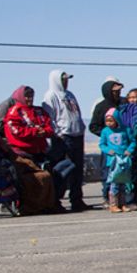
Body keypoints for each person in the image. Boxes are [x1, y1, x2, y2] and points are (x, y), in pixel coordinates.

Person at [42, 70, 90, 212]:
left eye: (67, 79)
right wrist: (58, 134)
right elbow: (50, 118)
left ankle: (77, 199)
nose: (66, 81)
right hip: (63, 137)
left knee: (78, 171)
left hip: (77, 135)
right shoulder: (50, 96)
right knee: (64, 169)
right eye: (63, 79)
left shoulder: (70, 95)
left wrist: (81, 127)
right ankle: (56, 200)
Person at [98, 109, 137, 213]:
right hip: (113, 161)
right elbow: (102, 144)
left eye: (111, 120)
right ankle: (113, 205)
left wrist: (129, 150)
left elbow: (133, 141)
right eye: (107, 121)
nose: (109, 123)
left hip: (124, 160)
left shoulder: (126, 130)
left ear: (117, 120)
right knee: (114, 182)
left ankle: (123, 203)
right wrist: (108, 151)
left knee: (123, 182)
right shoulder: (105, 131)